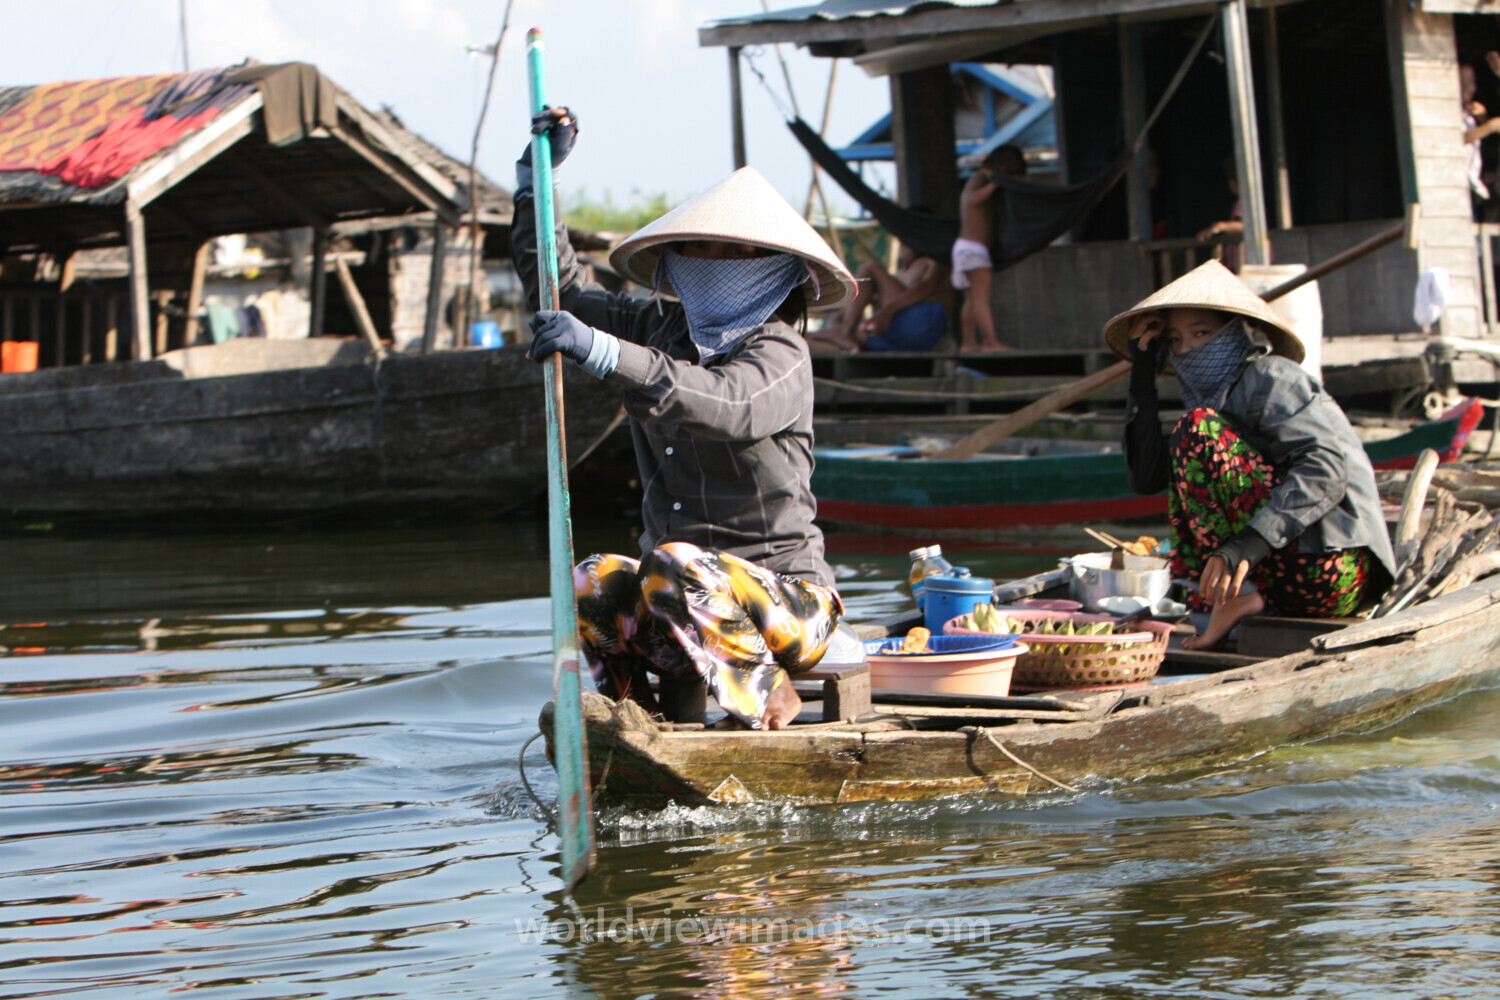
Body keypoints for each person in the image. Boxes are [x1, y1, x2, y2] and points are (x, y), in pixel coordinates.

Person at [511, 107, 860, 730]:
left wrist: (602, 351)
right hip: (673, 603)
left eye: (735, 253)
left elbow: (723, 402)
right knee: (592, 579)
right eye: (698, 248)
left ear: (773, 269)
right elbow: (557, 290)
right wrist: (536, 184)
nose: (711, 262)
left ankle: (769, 694)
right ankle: (629, 723)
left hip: (789, 610)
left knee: (676, 561)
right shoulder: (660, 328)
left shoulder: (781, 353)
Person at [1106, 260, 1396, 649]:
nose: (1187, 348)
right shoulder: (1209, 405)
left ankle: (1239, 593)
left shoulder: (1273, 377)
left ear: (1236, 332)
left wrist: (1244, 547)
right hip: (1277, 583)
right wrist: (1143, 367)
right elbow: (1147, 477)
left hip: (1333, 571)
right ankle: (1241, 597)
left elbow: (1325, 470)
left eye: (1202, 333)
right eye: (1174, 341)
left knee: (1196, 428)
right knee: (1190, 434)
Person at [804, 242, 946, 353]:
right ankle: (847, 342)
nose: (907, 247)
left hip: (919, 323)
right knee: (836, 319)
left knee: (871, 268)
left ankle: (845, 334)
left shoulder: (932, 262)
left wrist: (887, 312)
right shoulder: (900, 273)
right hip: (894, 330)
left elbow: (927, 286)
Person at [951, 146, 1025, 352]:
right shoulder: (980, 180)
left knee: (972, 299)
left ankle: (968, 342)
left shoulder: (980, 180)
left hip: (966, 248)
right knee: (981, 298)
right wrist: (995, 184)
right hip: (973, 249)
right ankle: (990, 341)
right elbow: (972, 200)